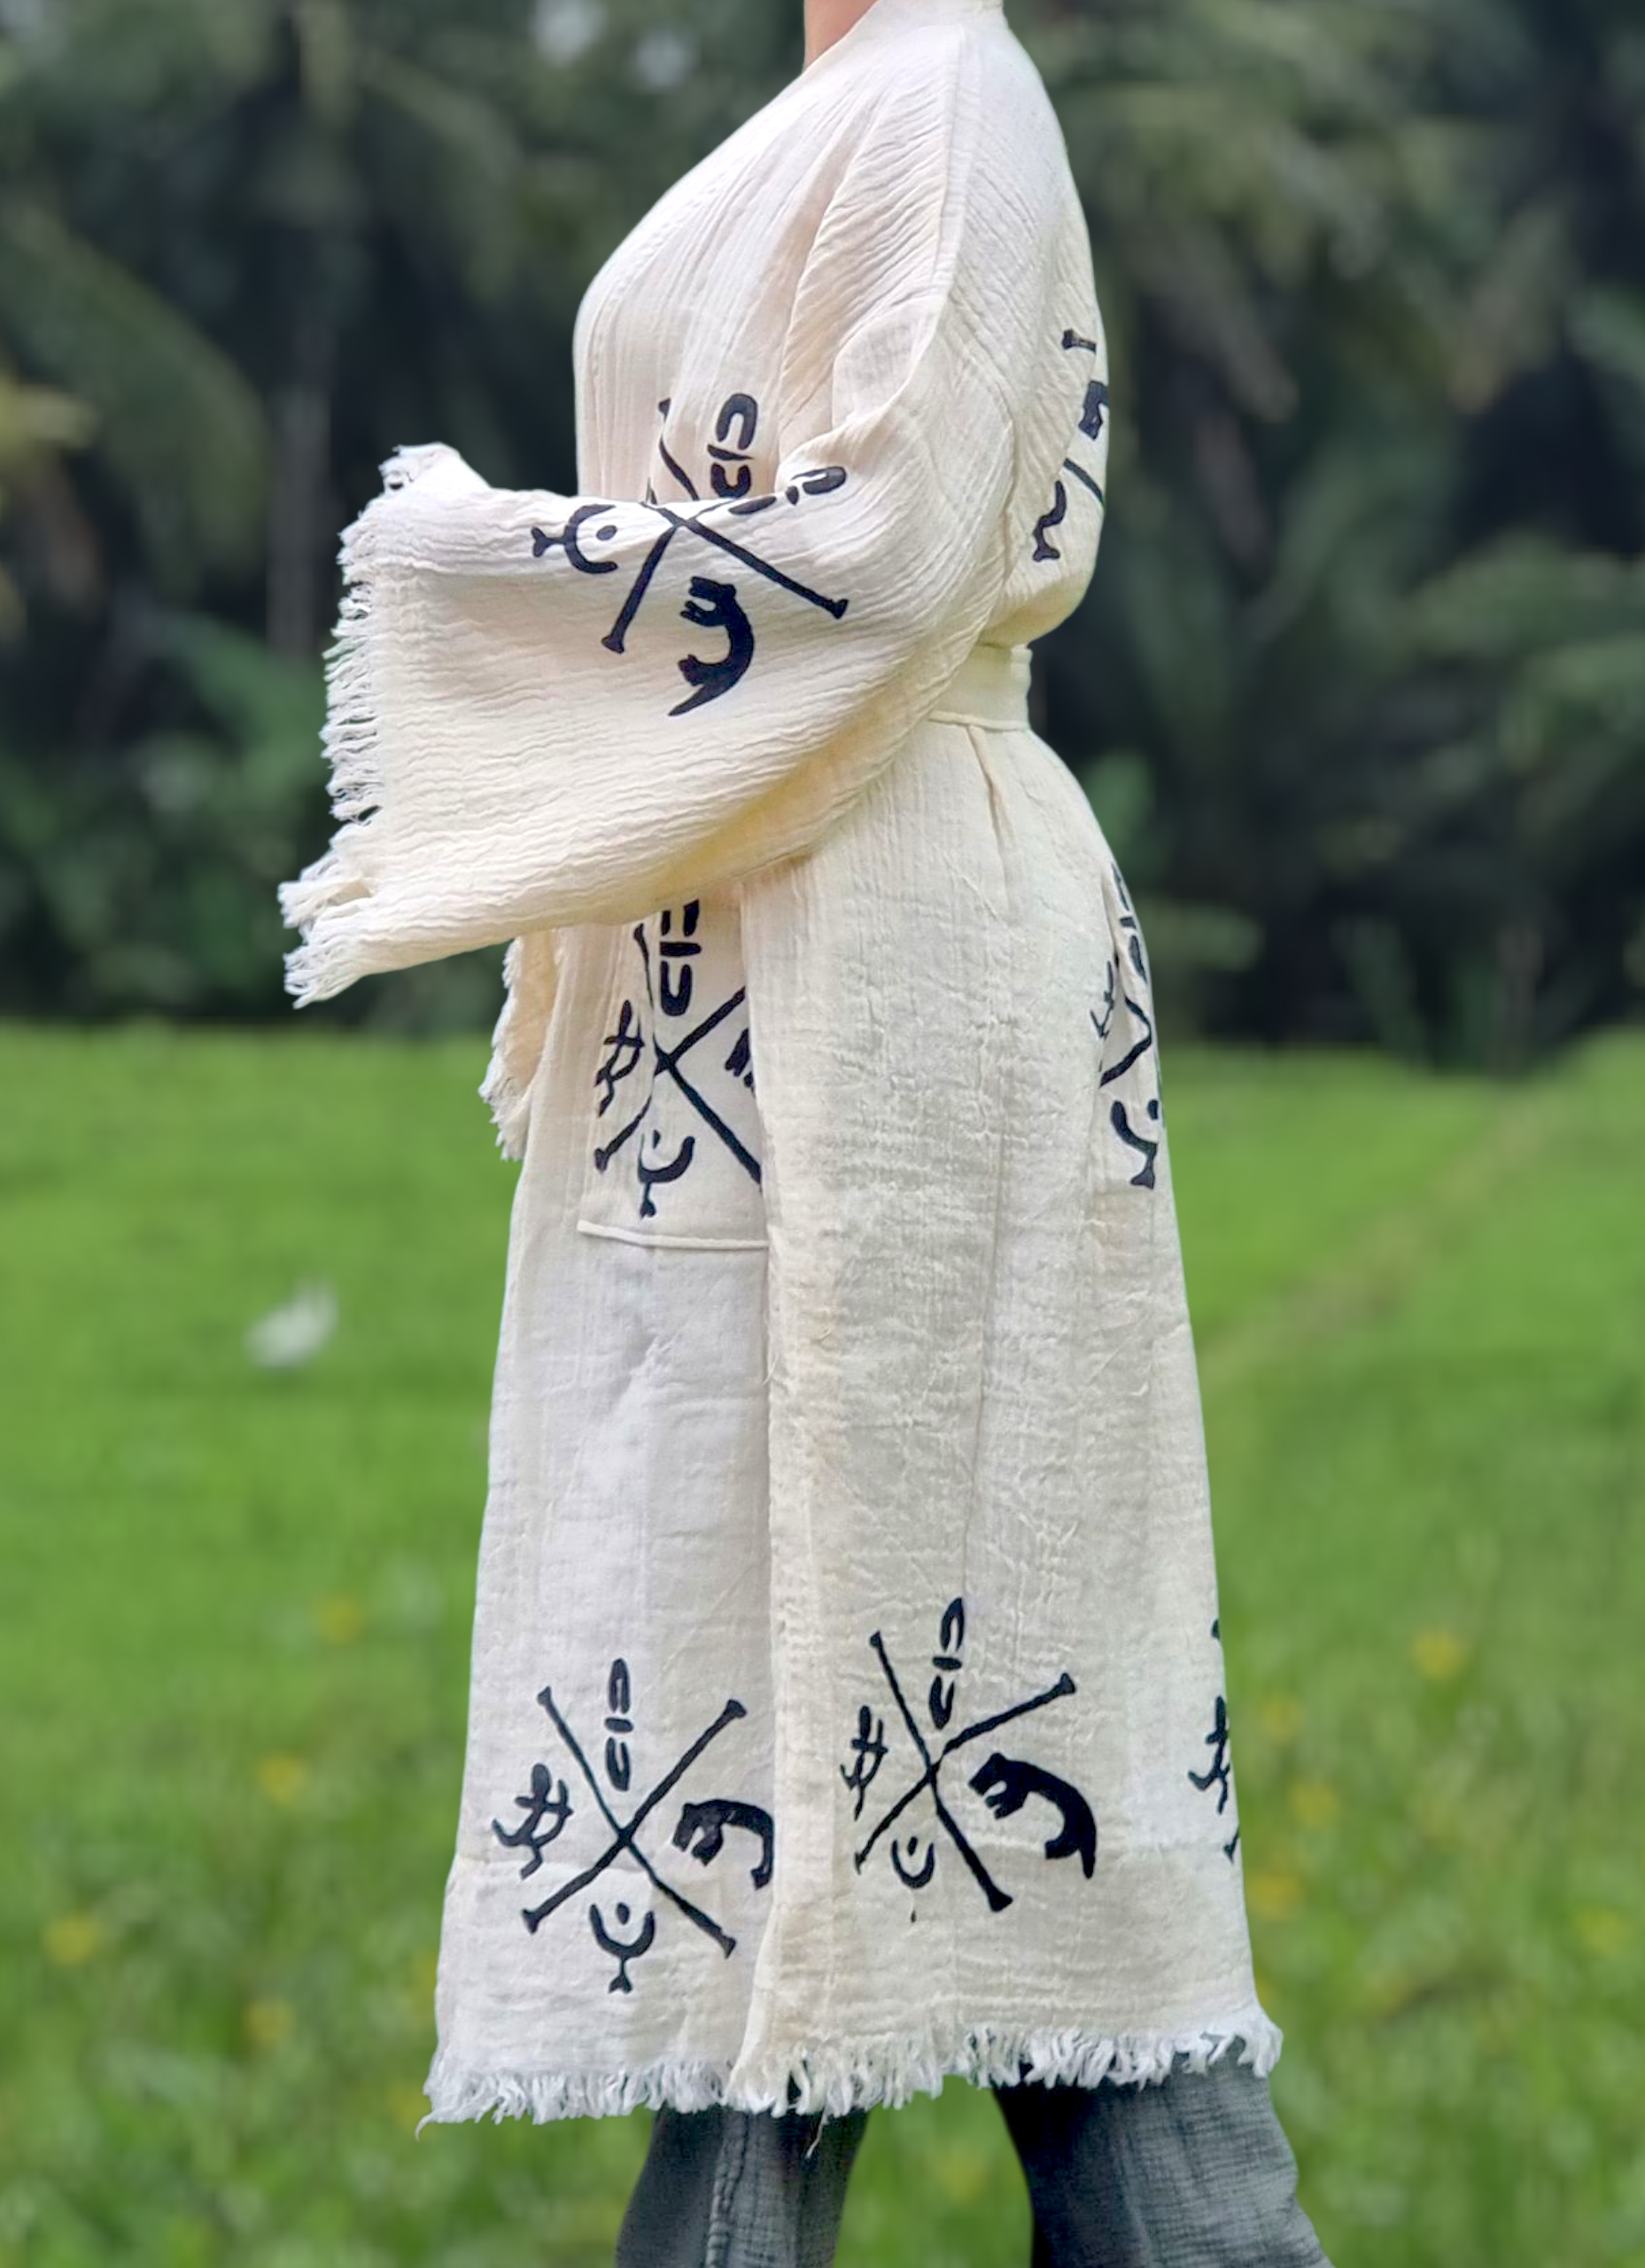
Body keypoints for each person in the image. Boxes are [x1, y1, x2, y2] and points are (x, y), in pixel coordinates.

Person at [279, 0, 1335, 2260]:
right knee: (807, 1716)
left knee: (976, 1678)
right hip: (749, 952)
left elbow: (895, 549)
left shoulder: (950, 90)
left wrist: (487, 566)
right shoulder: (834, 101)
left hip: (893, 958)